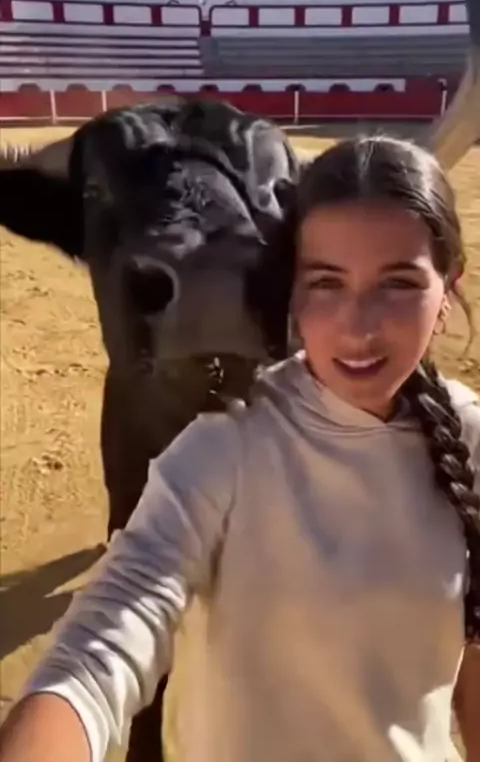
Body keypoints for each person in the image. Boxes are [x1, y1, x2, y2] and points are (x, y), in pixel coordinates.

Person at [0, 134, 479, 762]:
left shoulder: (470, 437)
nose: (359, 327)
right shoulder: (224, 449)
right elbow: (101, 652)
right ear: (291, 291)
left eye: (398, 283)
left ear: (448, 288)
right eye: (327, 282)